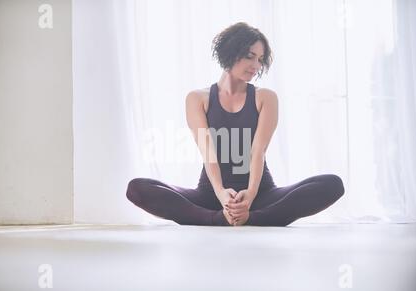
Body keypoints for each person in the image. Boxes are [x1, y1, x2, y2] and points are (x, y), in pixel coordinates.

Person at [126, 22, 345, 226]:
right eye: (250, 56)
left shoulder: (265, 97)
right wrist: (221, 193)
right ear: (231, 52)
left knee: (332, 184)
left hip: (260, 194)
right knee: (137, 189)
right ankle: (219, 218)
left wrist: (249, 195)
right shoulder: (197, 98)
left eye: (260, 59)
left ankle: (250, 217)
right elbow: (208, 153)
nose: (256, 65)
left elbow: (257, 152)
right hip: (210, 194)